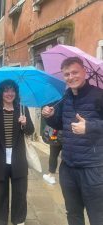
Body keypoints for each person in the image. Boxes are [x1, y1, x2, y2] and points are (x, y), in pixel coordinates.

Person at [42, 57, 103, 225]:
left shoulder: (99, 96)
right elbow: (59, 124)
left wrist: (89, 127)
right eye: (67, 74)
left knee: (97, 216)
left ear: (84, 72)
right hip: (68, 167)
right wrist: (49, 116)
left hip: (92, 169)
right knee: (73, 214)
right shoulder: (66, 97)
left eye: (75, 72)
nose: (71, 77)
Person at [0, 80, 35, 225]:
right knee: (0, 192)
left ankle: (19, 219)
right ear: (1, 93)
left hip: (18, 158)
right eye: (6, 90)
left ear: (16, 93)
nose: (9, 93)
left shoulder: (22, 109)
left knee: (20, 192)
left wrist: (25, 123)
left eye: (12, 90)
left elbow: (31, 131)